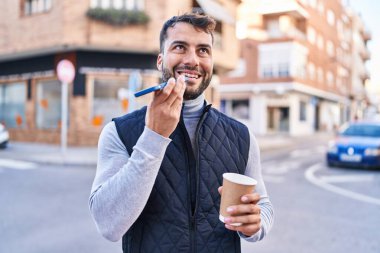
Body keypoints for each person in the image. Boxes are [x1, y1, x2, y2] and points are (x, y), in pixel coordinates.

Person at [89, 13, 274, 253]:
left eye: (203, 50)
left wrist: (256, 224)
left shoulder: (242, 136)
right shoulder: (118, 132)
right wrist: (153, 137)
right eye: (179, 47)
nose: (192, 60)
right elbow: (108, 225)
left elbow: (264, 205)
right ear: (160, 60)